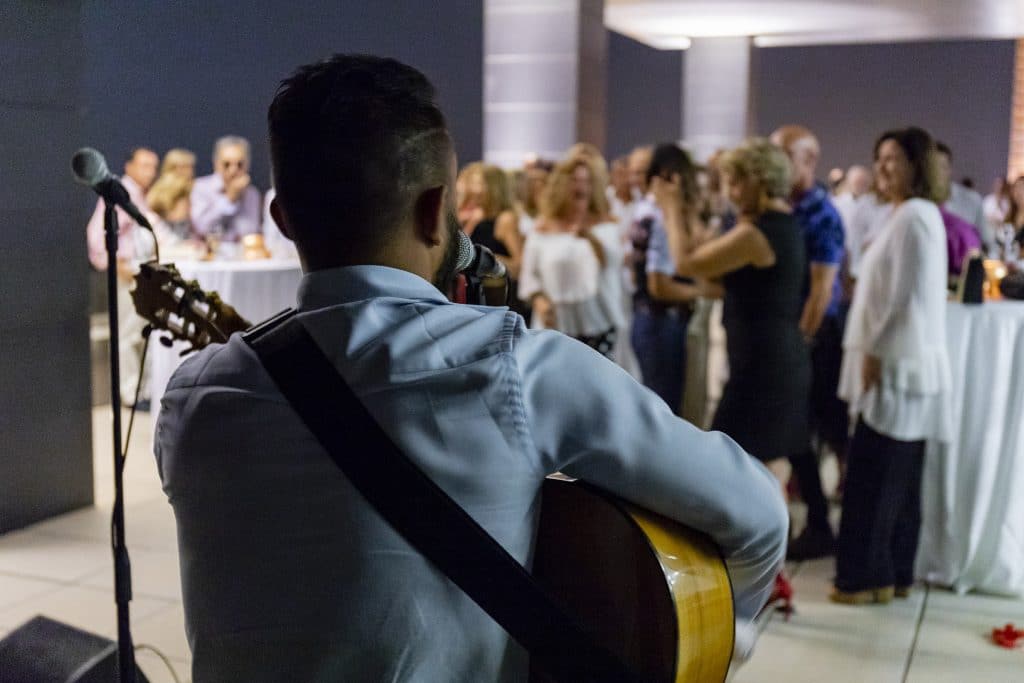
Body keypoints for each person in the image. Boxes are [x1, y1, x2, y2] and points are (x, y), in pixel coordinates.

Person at [155, 54, 786, 682]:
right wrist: (715, 638)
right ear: (436, 212)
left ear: (283, 220)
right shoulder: (522, 369)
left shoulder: (192, 398)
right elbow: (758, 516)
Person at [833, 127, 952, 605]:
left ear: (916, 165)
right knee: (892, 477)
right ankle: (891, 573)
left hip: (897, 366)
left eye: (894, 159)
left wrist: (876, 354)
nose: (883, 168)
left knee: (876, 477)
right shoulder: (904, 215)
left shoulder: (915, 218)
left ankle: (868, 576)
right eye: (879, 158)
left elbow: (905, 298)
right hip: (897, 362)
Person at [655, 137, 810, 488]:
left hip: (765, 365)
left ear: (761, 180)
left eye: (737, 180)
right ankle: (767, 540)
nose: (731, 189)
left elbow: (686, 262)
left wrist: (670, 209)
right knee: (762, 465)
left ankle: (763, 541)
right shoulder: (776, 225)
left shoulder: (756, 234)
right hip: (769, 360)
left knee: (749, 468)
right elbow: (727, 283)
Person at [769, 125, 846, 560]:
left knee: (815, 429)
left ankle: (822, 523)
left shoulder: (821, 213)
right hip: (795, 334)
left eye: (785, 156)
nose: (778, 164)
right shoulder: (789, 208)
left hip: (815, 336)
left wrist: (800, 342)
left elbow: (821, 291)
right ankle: (816, 519)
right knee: (798, 432)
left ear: (809, 161)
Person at [519, 155, 625, 359]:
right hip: (556, 326)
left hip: (598, 323)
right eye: (574, 180)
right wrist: (540, 301)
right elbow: (529, 277)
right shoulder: (542, 228)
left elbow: (612, 263)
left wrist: (590, 237)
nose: (580, 186)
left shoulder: (607, 225)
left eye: (586, 181)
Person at [629, 144, 703, 412]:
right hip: (661, 322)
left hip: (649, 320)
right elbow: (659, 285)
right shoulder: (659, 218)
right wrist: (705, 292)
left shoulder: (643, 211)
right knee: (665, 413)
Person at [86, 146, 159, 407]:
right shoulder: (120, 195)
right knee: (128, 335)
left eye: (153, 166)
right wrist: (117, 266)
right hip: (128, 274)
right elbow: (96, 239)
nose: (150, 171)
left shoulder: (143, 196)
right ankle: (130, 394)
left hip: (146, 275)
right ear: (129, 167)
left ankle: (146, 390)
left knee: (146, 334)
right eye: (144, 165)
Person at [190, 135, 262, 243]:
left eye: (239, 164)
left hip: (241, 257)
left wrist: (238, 196)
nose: (233, 170)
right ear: (216, 164)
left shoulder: (251, 194)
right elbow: (202, 228)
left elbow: (250, 232)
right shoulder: (201, 187)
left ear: (247, 165)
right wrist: (229, 199)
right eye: (227, 164)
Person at [457, 162, 524, 278]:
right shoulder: (476, 215)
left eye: (479, 183)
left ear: (494, 187)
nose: (474, 189)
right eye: (472, 183)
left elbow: (520, 267)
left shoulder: (505, 219)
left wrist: (490, 260)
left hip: (495, 291)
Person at [935, 142, 987, 248]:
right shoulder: (915, 203)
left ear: (949, 170)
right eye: (931, 167)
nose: (936, 173)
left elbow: (985, 241)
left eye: (941, 167)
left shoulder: (972, 200)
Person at [147, 148, 197, 242]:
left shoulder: (188, 187)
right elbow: (172, 213)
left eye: (191, 167)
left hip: (178, 233)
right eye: (186, 167)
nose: (190, 171)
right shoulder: (167, 187)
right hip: (164, 233)